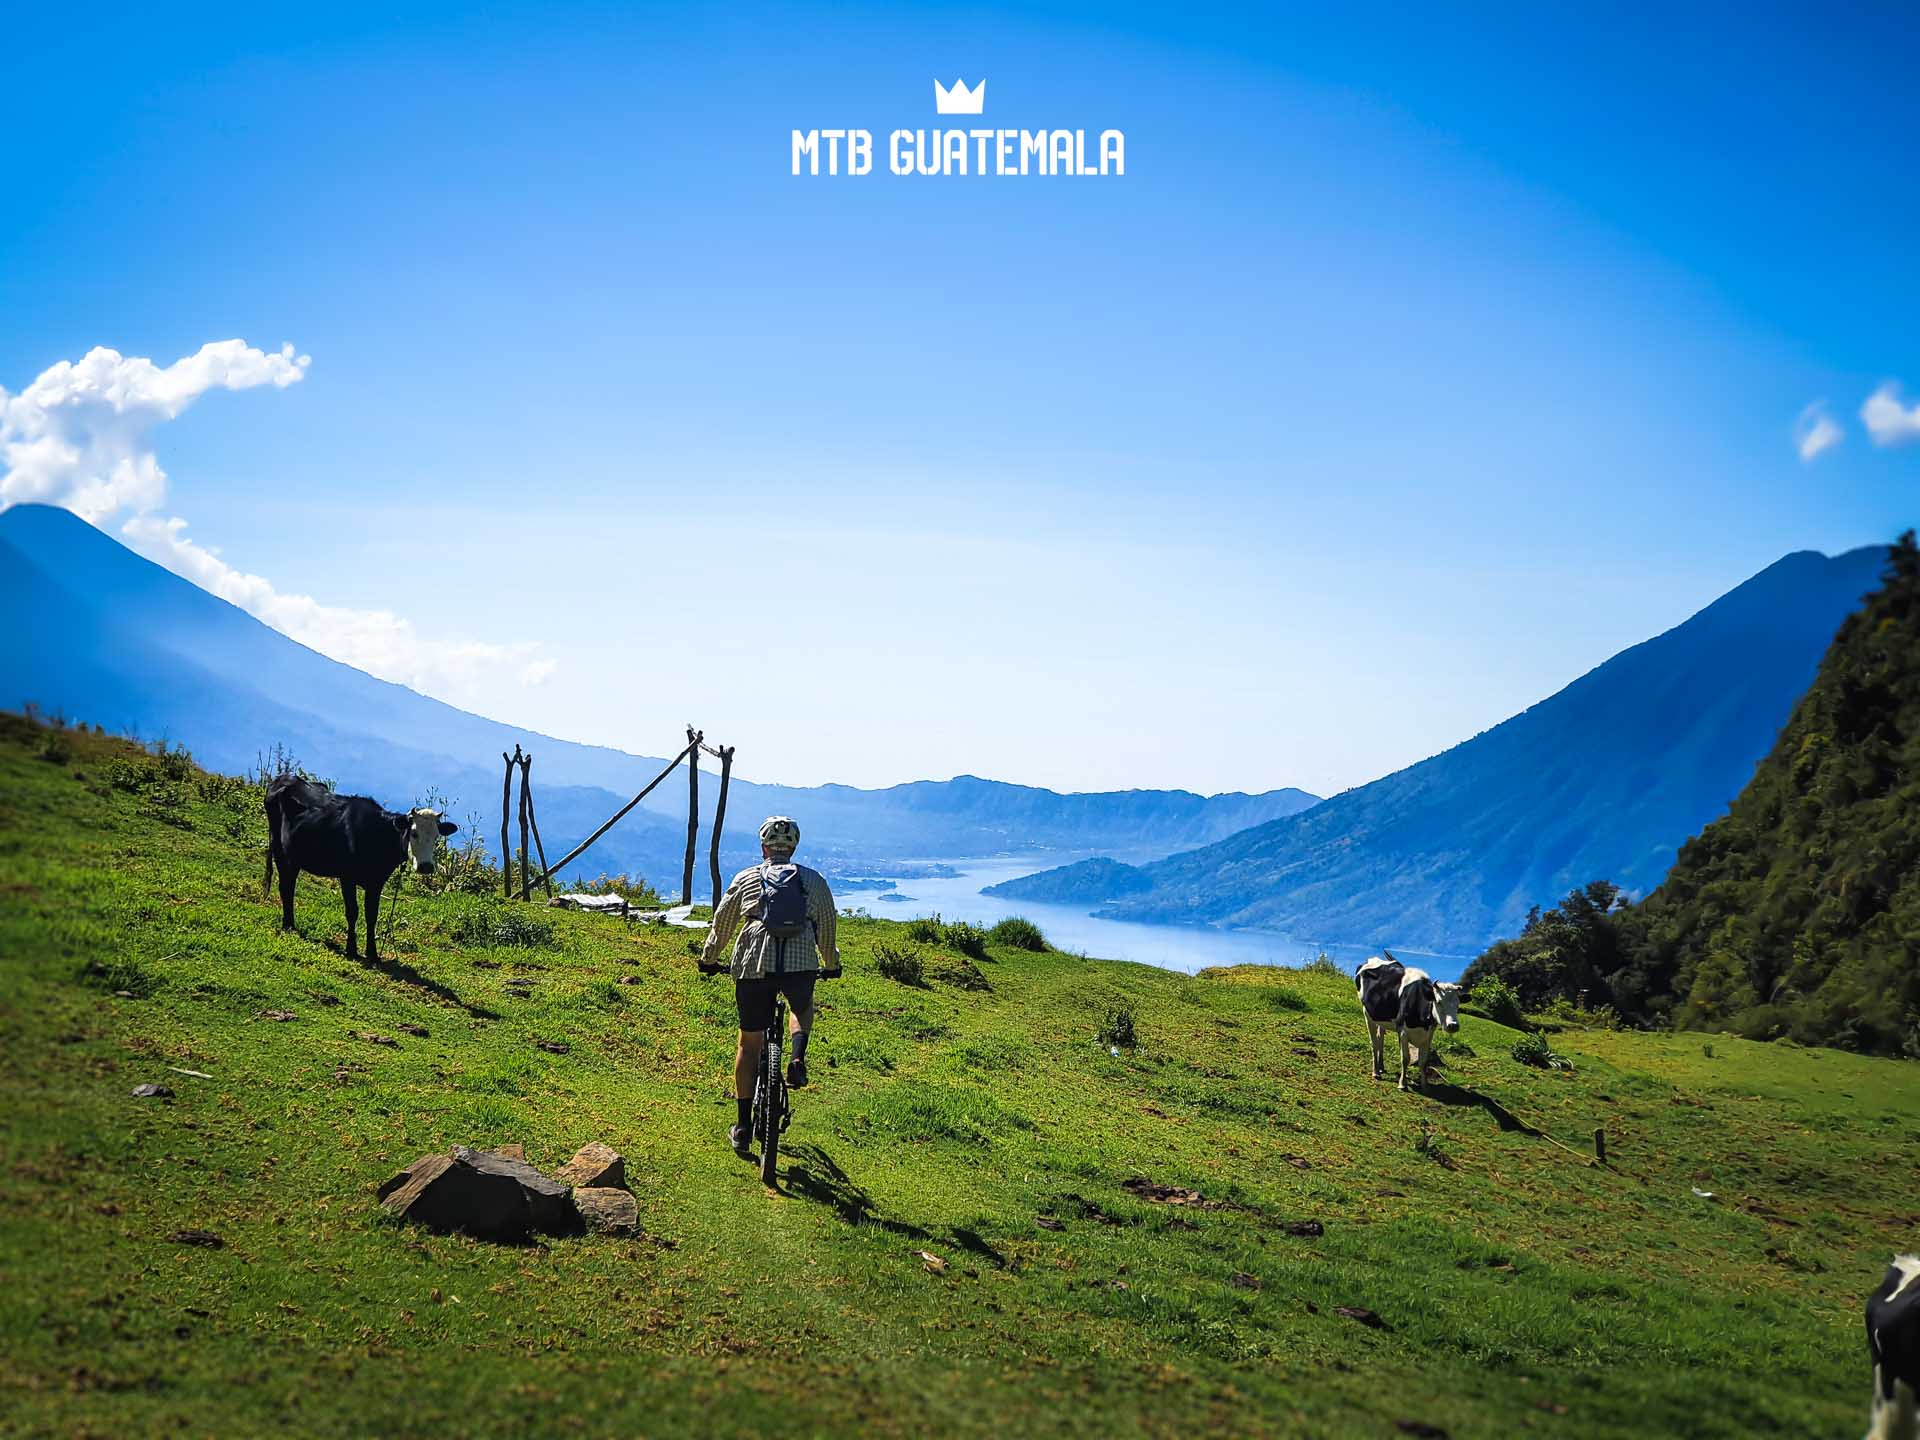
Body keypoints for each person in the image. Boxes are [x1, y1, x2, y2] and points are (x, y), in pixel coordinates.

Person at [699, 815, 840, 1154]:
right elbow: (827, 929)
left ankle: (744, 1125)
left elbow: (723, 923)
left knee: (749, 1044)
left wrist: (709, 958)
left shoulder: (746, 878)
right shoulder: (814, 881)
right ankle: (796, 1057)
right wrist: (831, 965)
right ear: (793, 847)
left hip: (753, 966)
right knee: (801, 1007)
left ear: (763, 846)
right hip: (800, 966)